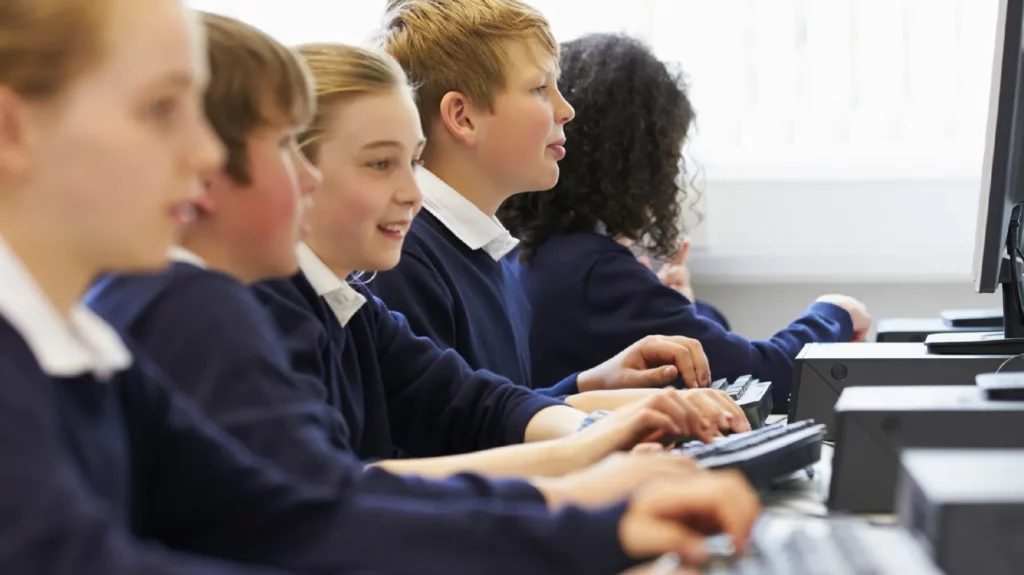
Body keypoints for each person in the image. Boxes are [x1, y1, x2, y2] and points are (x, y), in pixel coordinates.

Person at [0, 2, 761, 572]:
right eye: (161, 111)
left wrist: (593, 525)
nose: (204, 152)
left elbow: (298, 510)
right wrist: (579, 510)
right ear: (13, 128)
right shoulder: (177, 305)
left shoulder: (89, 346)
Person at [87, 12, 699, 504]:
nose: (412, 191)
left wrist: (598, 432)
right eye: (381, 163)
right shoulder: (216, 308)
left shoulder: (344, 301)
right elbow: (331, 500)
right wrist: (587, 467)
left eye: (411, 161)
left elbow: (471, 402)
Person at [355, 0, 747, 427]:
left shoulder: (489, 252)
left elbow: (486, 415)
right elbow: (438, 444)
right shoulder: (401, 256)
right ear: (462, 117)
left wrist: (588, 386)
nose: (567, 110)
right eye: (540, 88)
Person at [497, 34, 872, 412]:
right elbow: (766, 375)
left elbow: (709, 348)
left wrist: (680, 306)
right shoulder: (596, 273)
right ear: (638, 163)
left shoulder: (534, 252)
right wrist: (833, 313)